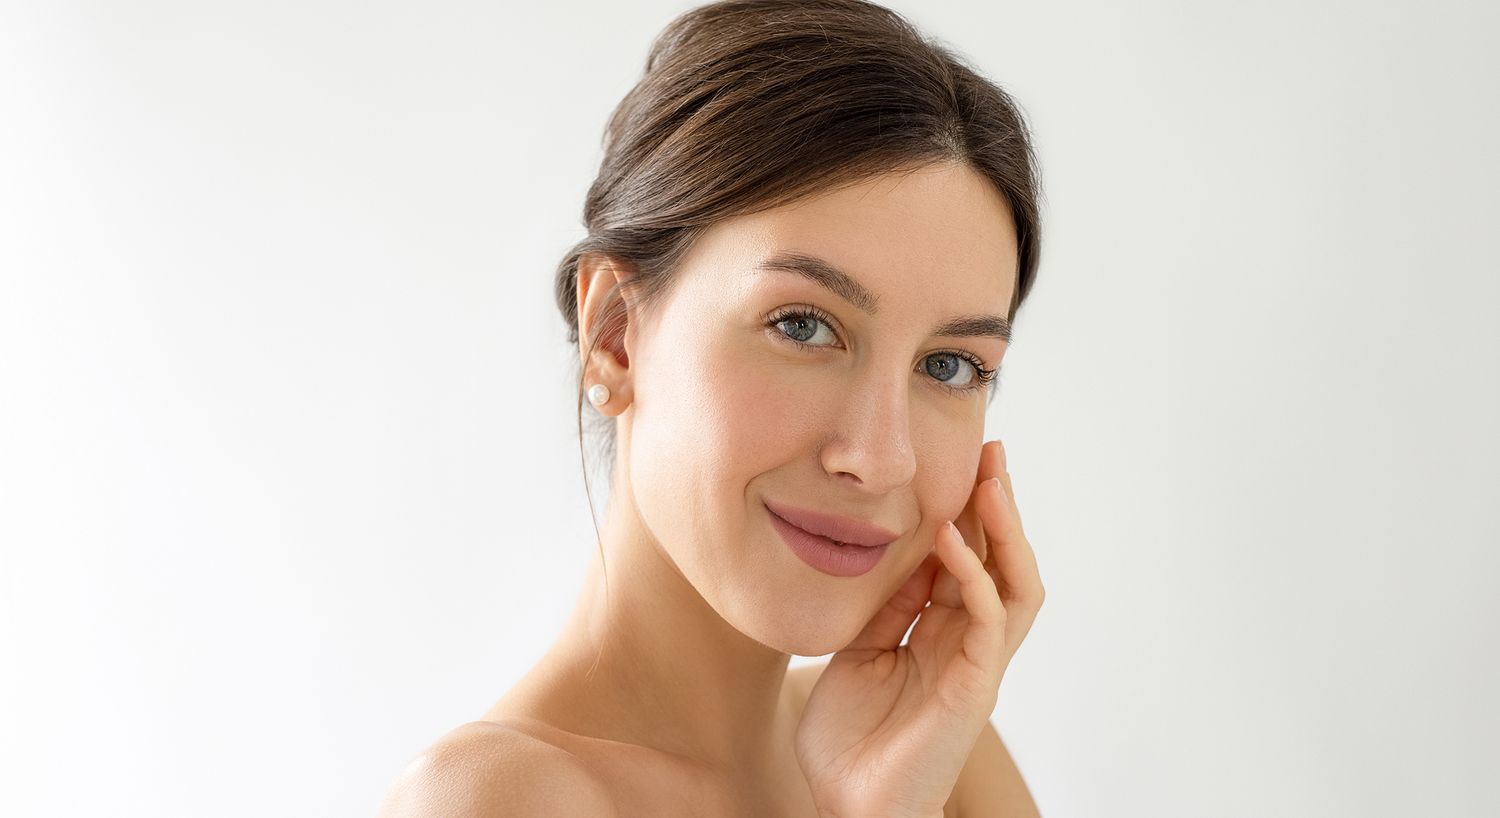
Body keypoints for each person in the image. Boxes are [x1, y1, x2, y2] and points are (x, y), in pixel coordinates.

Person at [378, 1, 1046, 815]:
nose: (880, 457)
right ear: (615, 335)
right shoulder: (499, 798)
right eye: (802, 326)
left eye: (949, 366)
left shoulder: (934, 754)